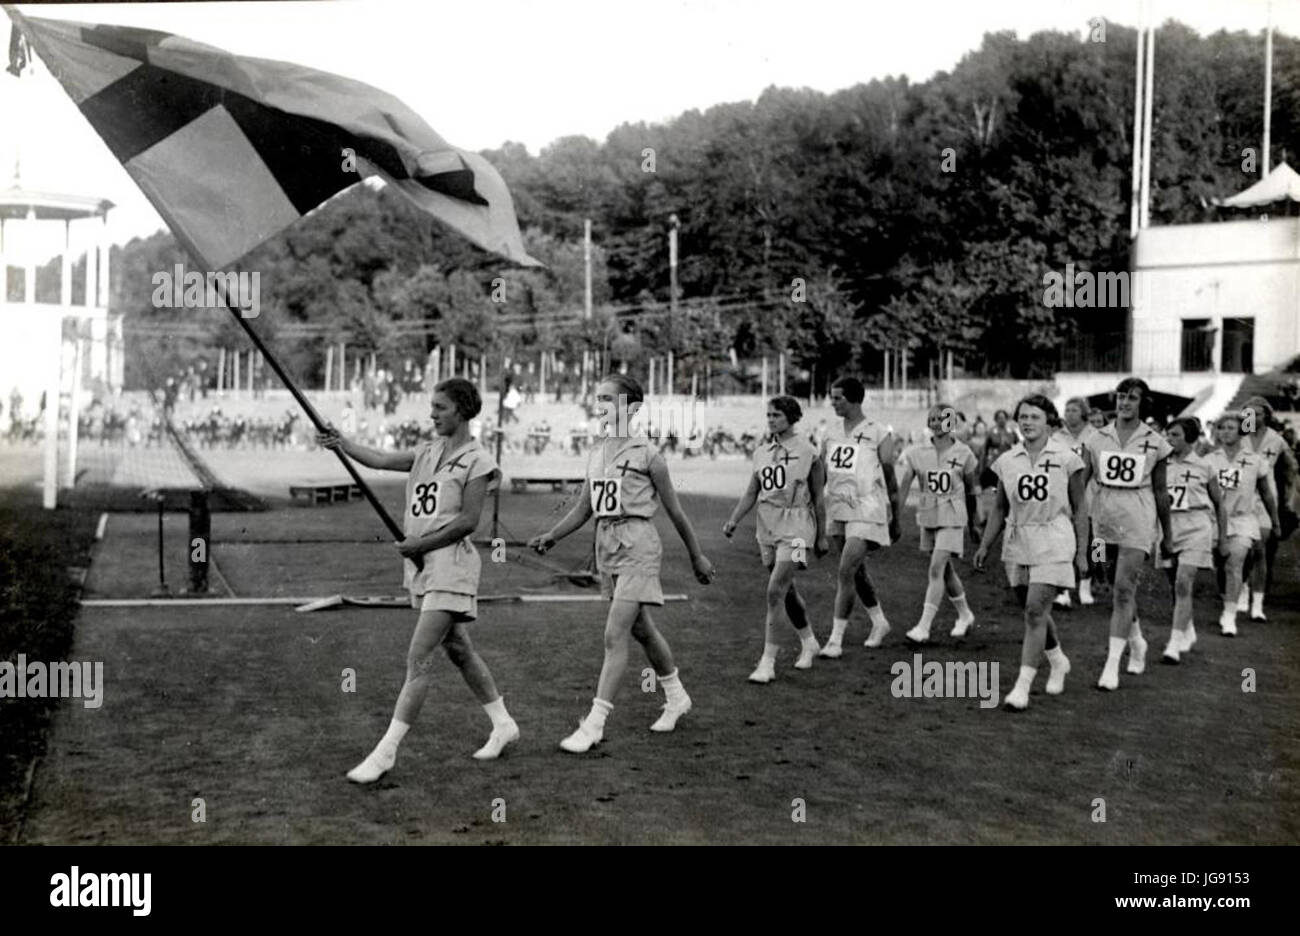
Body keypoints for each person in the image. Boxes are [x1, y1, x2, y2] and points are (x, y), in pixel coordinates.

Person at [319, 378, 519, 783]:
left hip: (451, 565)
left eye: (440, 407)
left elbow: (468, 521)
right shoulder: (427, 452)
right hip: (425, 564)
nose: (431, 414)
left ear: (461, 410)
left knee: (419, 656)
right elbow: (375, 459)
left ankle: (386, 751)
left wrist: (421, 543)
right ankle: (503, 723)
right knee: (458, 650)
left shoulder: (478, 460)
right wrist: (341, 443)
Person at [528, 375, 714, 753]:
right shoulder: (597, 452)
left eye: (607, 399)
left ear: (629, 407)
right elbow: (584, 507)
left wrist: (697, 555)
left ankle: (593, 724)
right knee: (641, 630)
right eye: (597, 398)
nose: (598, 405)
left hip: (639, 545)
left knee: (614, 635)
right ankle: (677, 697)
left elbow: (676, 512)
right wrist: (551, 535)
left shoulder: (649, 455)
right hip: (606, 547)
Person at [974, 395, 1087, 710]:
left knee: (1035, 611)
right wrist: (985, 544)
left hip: (1055, 537)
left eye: (1034, 417)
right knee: (1032, 607)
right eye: (1022, 417)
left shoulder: (1067, 458)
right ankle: (1057, 659)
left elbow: (1080, 507)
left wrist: (1082, 553)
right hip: (1019, 539)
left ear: (1049, 421)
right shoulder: (1008, 460)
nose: (1027, 422)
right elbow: (999, 507)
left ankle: (1021, 688)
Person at [722, 396, 828, 682]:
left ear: (791, 417)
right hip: (766, 528)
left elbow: (818, 497)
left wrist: (821, 534)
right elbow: (750, 493)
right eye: (768, 415)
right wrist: (733, 520)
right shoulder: (761, 452)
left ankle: (767, 663)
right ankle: (809, 641)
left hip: (797, 529)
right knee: (786, 591)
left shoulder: (808, 451)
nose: (770, 420)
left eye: (776, 415)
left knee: (774, 591)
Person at [1082, 377, 1173, 691]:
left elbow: (1161, 491)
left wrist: (1168, 534)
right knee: (1109, 582)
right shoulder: (1096, 438)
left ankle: (1111, 666)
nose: (1124, 403)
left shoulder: (1156, 441)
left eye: (1132, 398)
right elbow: (1081, 482)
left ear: (1142, 403)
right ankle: (1136, 641)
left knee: (1123, 589)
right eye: (1121, 397)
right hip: (1103, 517)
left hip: (1138, 515)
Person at [818, 376, 900, 656]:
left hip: (868, 507)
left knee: (845, 570)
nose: (833, 403)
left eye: (838, 398)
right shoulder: (830, 433)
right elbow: (821, 472)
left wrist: (896, 515)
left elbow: (889, 474)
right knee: (857, 572)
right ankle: (879, 622)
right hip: (838, 507)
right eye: (832, 397)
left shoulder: (878, 432)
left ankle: (835, 640)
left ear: (854, 400)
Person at [895, 403, 980, 643]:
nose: (935, 422)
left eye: (941, 418)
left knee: (936, 567)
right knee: (945, 570)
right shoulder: (916, 452)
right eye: (931, 418)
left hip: (953, 516)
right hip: (929, 515)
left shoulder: (965, 453)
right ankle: (965, 615)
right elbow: (904, 488)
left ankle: (923, 627)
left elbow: (972, 491)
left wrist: (974, 523)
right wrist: (895, 517)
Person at [1159, 418, 1227, 662]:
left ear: (1190, 438)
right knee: (1174, 586)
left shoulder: (1204, 466)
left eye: (1175, 435)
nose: (1169, 439)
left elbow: (1219, 503)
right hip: (1168, 528)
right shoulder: (1159, 464)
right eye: (1168, 435)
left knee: (1183, 581)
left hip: (1197, 526)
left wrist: (1223, 537)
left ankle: (1174, 644)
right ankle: (1188, 629)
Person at [1207, 411, 1279, 635]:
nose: (1225, 432)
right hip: (1214, 521)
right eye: (1221, 428)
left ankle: (1229, 616)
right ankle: (1228, 597)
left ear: (1241, 431)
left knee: (1234, 563)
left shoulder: (1255, 460)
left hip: (1242, 519)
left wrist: (1274, 520)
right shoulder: (1209, 460)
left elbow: (1266, 493)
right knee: (1221, 564)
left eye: (1230, 427)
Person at [1239, 396, 1297, 608]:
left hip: (1266, 498)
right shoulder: (1238, 436)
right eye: (1248, 413)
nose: (1252, 417)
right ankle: (1242, 588)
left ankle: (1258, 596)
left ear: (1267, 416)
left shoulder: (1277, 440)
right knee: (1239, 547)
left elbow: (1291, 469)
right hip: (1239, 498)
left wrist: (1289, 498)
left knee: (1260, 548)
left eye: (1258, 414)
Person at [1052, 397, 1100, 606]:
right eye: (1067, 409)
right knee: (1063, 541)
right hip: (1063, 493)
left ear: (1083, 413)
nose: (1069, 413)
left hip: (1090, 493)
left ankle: (1086, 586)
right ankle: (1063, 589)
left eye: (1074, 410)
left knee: (1089, 543)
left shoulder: (1095, 436)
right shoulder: (1056, 437)